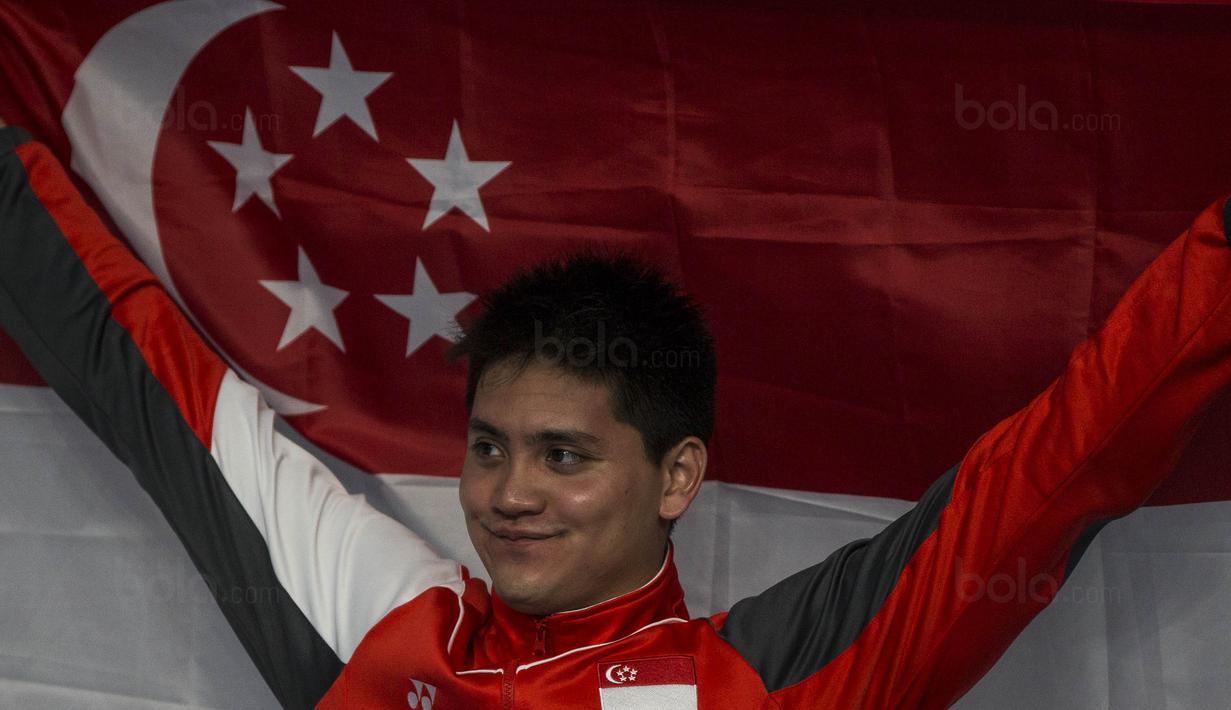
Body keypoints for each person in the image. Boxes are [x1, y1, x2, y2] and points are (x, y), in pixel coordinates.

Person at [2, 117, 1230, 710]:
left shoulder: (759, 676)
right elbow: (156, 389)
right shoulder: (388, 629)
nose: (509, 491)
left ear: (678, 472)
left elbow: (1059, 466)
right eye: (488, 446)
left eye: (564, 454)